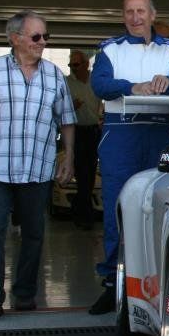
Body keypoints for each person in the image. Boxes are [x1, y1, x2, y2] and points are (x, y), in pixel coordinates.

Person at [0, 11, 76, 320]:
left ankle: (24, 294)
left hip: (38, 168)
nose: (43, 42)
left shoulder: (54, 75)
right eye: (36, 36)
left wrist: (69, 157)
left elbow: (67, 120)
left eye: (45, 36)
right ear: (15, 38)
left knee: (34, 233)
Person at [89, 0, 169, 314]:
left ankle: (158, 282)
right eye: (129, 12)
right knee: (116, 208)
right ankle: (113, 283)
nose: (135, 17)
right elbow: (99, 84)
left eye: (141, 11)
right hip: (120, 131)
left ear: (152, 15)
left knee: (161, 205)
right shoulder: (110, 48)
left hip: (159, 130)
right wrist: (131, 87)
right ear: (124, 16)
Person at [65, 50, 101, 230]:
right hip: (76, 131)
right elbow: (60, 108)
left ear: (86, 64)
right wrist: (71, 107)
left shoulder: (96, 80)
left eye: (76, 64)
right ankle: (85, 213)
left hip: (93, 131)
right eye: (71, 65)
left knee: (90, 171)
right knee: (81, 173)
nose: (73, 68)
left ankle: (81, 208)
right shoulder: (67, 83)